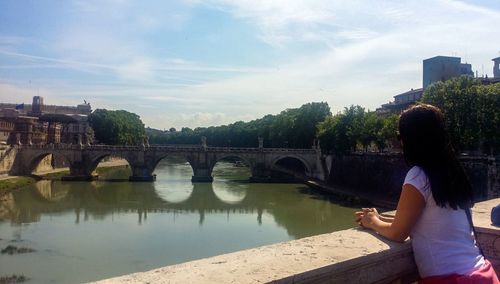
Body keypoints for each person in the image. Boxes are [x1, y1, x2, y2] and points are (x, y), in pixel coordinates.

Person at [355, 104, 499, 283]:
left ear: (412, 140)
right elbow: (428, 222)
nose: (400, 142)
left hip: (451, 279)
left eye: (400, 136)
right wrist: (381, 217)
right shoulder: (452, 173)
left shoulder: (418, 175)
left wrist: (372, 222)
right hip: (482, 273)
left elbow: (398, 233)